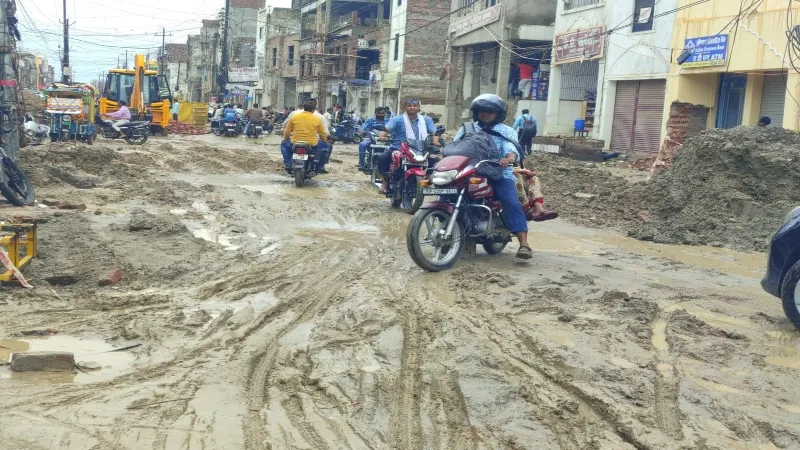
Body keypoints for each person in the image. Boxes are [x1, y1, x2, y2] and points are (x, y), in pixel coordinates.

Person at [453, 94, 555, 259]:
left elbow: (510, 148)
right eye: (482, 110)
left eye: (490, 111)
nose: (485, 113)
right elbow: (455, 146)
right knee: (447, 192)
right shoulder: (467, 128)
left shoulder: (506, 130)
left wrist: (509, 158)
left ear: (498, 114)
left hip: (498, 172)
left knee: (511, 201)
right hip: (469, 171)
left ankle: (524, 244)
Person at [378, 98, 439, 193]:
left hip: (420, 149)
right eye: (409, 106)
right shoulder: (397, 119)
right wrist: (382, 136)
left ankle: (426, 182)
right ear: (405, 107)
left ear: (419, 107)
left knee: (435, 160)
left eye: (415, 105)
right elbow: (387, 129)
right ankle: (384, 183)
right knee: (382, 158)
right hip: (398, 148)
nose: (412, 107)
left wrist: (436, 141)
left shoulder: (426, 119)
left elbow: (434, 132)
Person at [281, 99, 331, 174]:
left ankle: (288, 164)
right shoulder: (318, 118)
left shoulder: (294, 117)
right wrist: (324, 140)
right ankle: (320, 166)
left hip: (295, 142)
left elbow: (287, 131)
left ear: (303, 107)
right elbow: (322, 133)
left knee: (284, 144)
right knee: (327, 146)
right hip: (312, 143)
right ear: (314, 109)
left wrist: (286, 138)